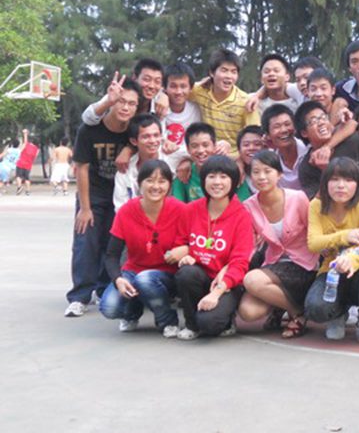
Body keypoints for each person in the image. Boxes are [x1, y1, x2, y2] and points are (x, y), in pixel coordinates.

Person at [65, 79, 142, 317]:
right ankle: (79, 296)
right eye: (121, 101)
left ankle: (102, 289)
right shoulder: (90, 129)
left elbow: (146, 142)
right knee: (86, 242)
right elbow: (82, 168)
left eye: (132, 104)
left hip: (120, 195)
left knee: (112, 244)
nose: (125, 107)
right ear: (111, 101)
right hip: (93, 194)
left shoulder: (133, 131)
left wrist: (129, 148)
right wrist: (85, 208)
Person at [304, 158, 359, 349]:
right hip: (330, 272)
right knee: (315, 309)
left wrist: (349, 259)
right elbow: (313, 243)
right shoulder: (316, 206)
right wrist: (345, 235)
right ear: (325, 182)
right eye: (334, 179)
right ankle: (338, 314)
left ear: (357, 184)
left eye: (348, 180)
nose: (341, 186)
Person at [100, 159, 186, 338]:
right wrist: (118, 279)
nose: (156, 186)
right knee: (109, 307)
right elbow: (111, 255)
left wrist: (186, 249)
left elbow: (199, 242)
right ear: (139, 184)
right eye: (150, 180)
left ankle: (167, 320)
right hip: (133, 271)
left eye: (162, 181)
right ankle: (132, 311)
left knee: (145, 280)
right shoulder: (126, 211)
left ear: (169, 186)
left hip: (168, 275)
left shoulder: (181, 210)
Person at [172, 155, 254, 340]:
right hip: (199, 277)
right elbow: (180, 242)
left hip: (227, 283)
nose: (217, 182)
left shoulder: (241, 215)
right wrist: (185, 255)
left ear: (234, 182)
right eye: (211, 176)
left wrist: (217, 293)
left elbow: (240, 261)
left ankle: (226, 318)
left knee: (210, 324)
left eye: (224, 177)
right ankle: (191, 324)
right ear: (203, 180)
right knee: (186, 273)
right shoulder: (191, 210)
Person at [238, 151, 318, 338]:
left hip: (303, 264)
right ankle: (289, 307)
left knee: (253, 280)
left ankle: (297, 314)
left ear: (279, 174)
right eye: (256, 172)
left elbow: (314, 232)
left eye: (267, 171)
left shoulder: (297, 198)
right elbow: (250, 243)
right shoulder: (248, 206)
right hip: (273, 264)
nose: (261, 177)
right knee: (248, 312)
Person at [188, 49, 260, 156]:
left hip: (234, 157)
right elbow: (178, 91)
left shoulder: (246, 102)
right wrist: (163, 96)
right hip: (206, 154)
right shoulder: (199, 91)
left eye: (233, 72)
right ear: (211, 73)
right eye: (224, 70)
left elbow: (256, 136)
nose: (229, 76)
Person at [294, 101, 359, 199]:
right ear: (304, 133)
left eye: (323, 117)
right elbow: (316, 202)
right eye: (314, 121)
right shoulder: (307, 167)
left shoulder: (351, 141)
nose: (321, 122)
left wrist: (326, 147)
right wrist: (326, 171)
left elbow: (352, 123)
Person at [113, 114, 165, 211]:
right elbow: (120, 209)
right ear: (134, 141)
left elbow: (192, 152)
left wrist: (185, 162)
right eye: (146, 137)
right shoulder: (125, 169)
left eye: (156, 135)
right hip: (135, 217)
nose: (152, 141)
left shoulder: (171, 156)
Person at [161, 62, 202, 170]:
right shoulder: (159, 106)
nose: (178, 92)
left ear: (191, 88)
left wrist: (187, 160)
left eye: (183, 86)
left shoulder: (196, 110)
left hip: (188, 164)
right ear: (164, 87)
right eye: (173, 86)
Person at [261, 104, 308, 190]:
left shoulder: (308, 150)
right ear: (267, 135)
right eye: (277, 126)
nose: (283, 130)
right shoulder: (271, 161)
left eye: (287, 124)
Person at [171, 123, 218, 203]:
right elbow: (177, 206)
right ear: (188, 149)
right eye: (194, 146)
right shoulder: (183, 174)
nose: (200, 150)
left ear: (214, 146)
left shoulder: (227, 172)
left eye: (205, 145)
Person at [235, 125, 264, 199]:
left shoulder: (275, 171)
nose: (251, 148)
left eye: (257, 144)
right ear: (239, 150)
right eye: (246, 145)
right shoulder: (235, 175)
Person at [14, 128, 39, 196]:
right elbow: (35, 157)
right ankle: (28, 191)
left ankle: (19, 187)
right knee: (27, 178)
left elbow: (25, 142)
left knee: (18, 176)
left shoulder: (27, 145)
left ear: (32, 141)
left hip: (21, 163)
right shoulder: (36, 149)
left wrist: (25, 134)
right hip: (28, 165)